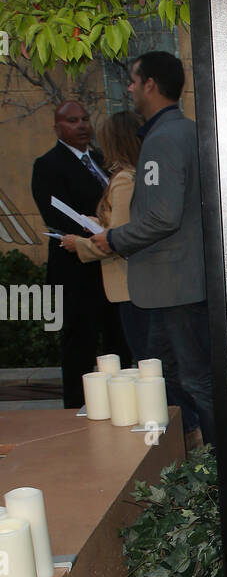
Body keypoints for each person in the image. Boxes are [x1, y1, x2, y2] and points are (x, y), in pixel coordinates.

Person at [91, 51, 213, 446]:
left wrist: (112, 239)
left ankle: (219, 465)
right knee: (170, 376)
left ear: (150, 85)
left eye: (132, 80)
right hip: (177, 284)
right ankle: (202, 459)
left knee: (193, 380)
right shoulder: (187, 131)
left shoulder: (163, 139)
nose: (128, 89)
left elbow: (162, 217)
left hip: (174, 286)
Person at [30, 100, 130, 407]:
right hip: (74, 267)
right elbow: (54, 215)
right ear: (58, 128)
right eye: (73, 121)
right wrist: (100, 231)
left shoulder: (103, 160)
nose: (82, 125)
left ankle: (124, 402)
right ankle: (74, 409)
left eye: (85, 118)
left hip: (110, 266)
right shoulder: (48, 165)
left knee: (119, 340)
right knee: (79, 344)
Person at [60, 110, 142, 358]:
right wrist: (100, 222)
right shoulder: (135, 174)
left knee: (142, 355)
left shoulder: (125, 179)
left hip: (128, 284)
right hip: (133, 284)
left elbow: (118, 238)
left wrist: (80, 244)